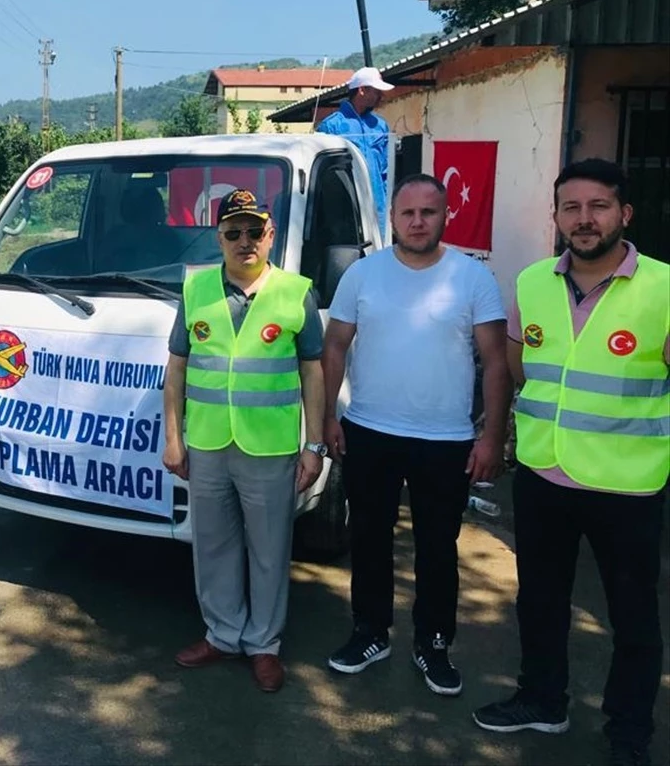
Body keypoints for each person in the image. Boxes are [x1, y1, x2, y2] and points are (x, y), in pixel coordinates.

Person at [473, 159, 668, 766]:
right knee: (539, 600)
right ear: (556, 217)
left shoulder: (663, 287)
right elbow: (509, 368)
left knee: (633, 619)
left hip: (627, 484)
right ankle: (543, 700)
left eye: (598, 206)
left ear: (624, 214)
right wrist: (496, 435)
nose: (584, 220)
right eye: (571, 208)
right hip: (542, 474)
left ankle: (628, 735)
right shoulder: (533, 282)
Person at [321, 173, 510, 696]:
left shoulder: (472, 278)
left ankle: (432, 643)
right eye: (408, 213)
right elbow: (334, 347)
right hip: (370, 430)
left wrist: (491, 437)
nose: (418, 221)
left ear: (444, 215)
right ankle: (370, 631)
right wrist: (327, 418)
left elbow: (497, 362)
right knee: (369, 538)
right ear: (393, 219)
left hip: (446, 440)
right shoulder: (363, 274)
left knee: (437, 548)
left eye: (429, 212)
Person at [163, 188, 326, 693]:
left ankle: (264, 645)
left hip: (270, 447)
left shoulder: (297, 292)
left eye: (254, 230)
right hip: (208, 445)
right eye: (233, 232)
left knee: (269, 550)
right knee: (212, 546)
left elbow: (313, 374)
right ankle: (222, 634)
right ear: (219, 238)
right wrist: (174, 438)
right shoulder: (196, 291)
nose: (245, 241)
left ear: (270, 234)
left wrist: (314, 445)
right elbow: (177, 370)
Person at [317, 66, 395, 237]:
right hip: (345, 205)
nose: (381, 96)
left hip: (378, 204)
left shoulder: (380, 126)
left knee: (379, 252)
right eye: (376, 91)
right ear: (361, 90)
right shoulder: (331, 126)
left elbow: (387, 170)